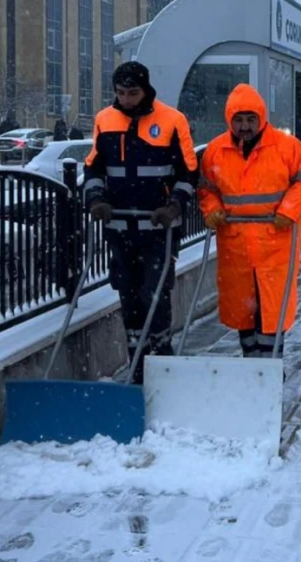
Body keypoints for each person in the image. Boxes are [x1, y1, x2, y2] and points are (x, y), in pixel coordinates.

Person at [82, 61, 199, 384]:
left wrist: (174, 206)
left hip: (159, 229)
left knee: (155, 293)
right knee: (128, 294)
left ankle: (161, 356)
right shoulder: (105, 120)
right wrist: (96, 199)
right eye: (120, 93)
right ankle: (137, 360)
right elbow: (93, 169)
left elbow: (189, 172)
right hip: (120, 229)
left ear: (145, 90)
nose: (127, 100)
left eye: (133, 93)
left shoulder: (172, 120)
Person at [198, 84, 301, 358]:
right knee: (244, 310)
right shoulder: (216, 151)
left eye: (251, 119)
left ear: (262, 118)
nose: (245, 126)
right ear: (229, 119)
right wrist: (212, 208)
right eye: (239, 120)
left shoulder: (285, 146)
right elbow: (206, 188)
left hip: (274, 242)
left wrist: (289, 211)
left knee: (272, 308)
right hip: (236, 243)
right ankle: (251, 363)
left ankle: (270, 367)